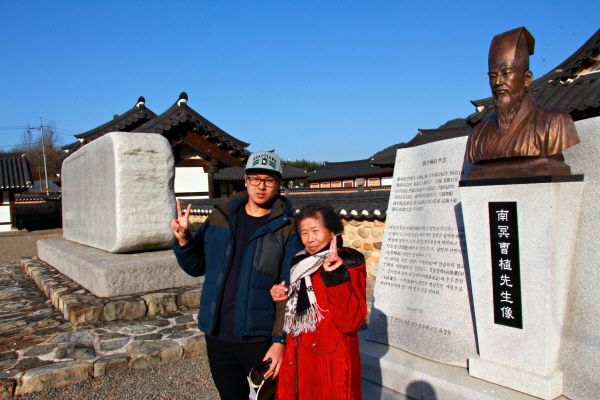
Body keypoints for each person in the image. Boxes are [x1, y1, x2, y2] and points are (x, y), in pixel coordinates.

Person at [170, 151, 303, 400]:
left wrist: (279, 341)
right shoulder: (221, 217)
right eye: (255, 178)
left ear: (279, 184)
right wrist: (184, 240)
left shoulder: (288, 228)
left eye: (269, 180)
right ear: (245, 180)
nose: (261, 186)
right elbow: (196, 267)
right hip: (218, 333)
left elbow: (291, 289)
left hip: (260, 338)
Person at [270, 203, 367, 400]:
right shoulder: (300, 263)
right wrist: (281, 294)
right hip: (297, 358)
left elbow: (351, 321)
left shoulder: (348, 263)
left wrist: (336, 276)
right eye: (304, 233)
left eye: (316, 231)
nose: (310, 238)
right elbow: (297, 309)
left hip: (331, 363)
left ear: (333, 232)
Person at [464, 27, 580, 173]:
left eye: (506, 73)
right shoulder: (478, 133)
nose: (498, 82)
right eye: (492, 76)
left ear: (527, 79)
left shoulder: (555, 120)